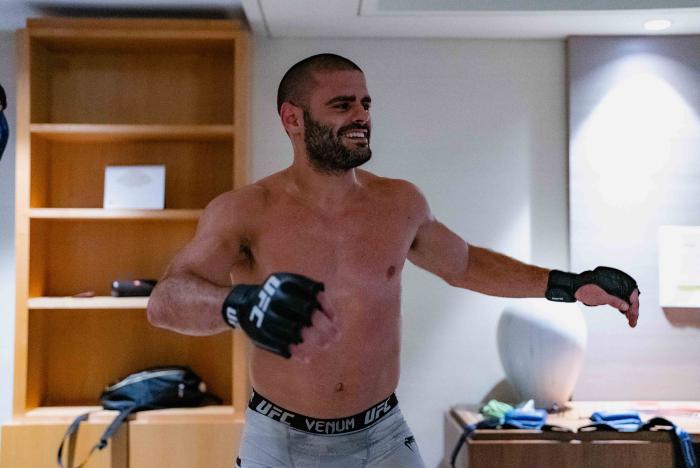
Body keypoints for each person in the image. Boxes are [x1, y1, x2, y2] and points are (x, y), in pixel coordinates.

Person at [147, 53, 640, 467]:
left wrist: (569, 284)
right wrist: (240, 303)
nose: (360, 115)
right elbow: (166, 300)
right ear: (292, 119)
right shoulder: (244, 210)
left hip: (381, 437)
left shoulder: (399, 204)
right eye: (342, 105)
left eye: (365, 103)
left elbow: (465, 264)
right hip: (281, 442)